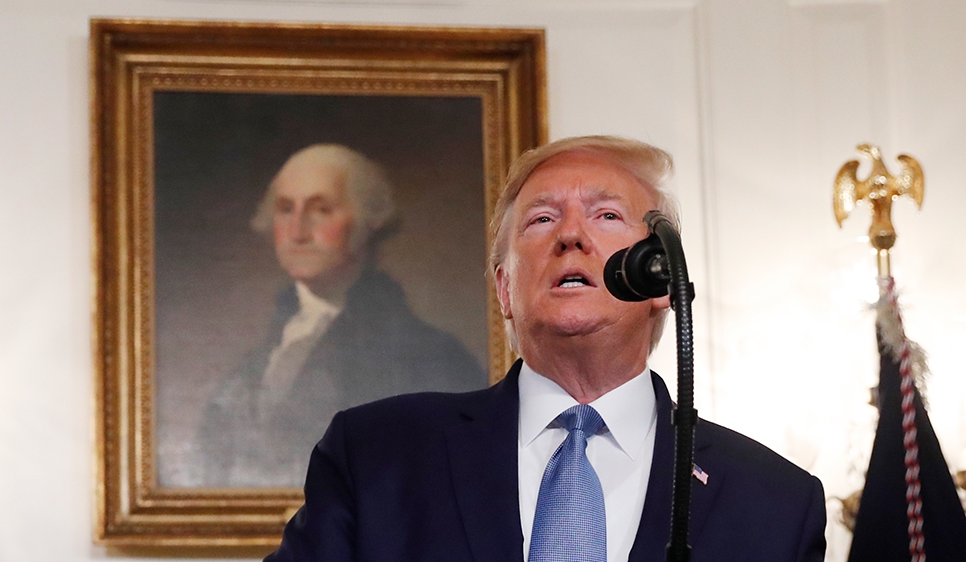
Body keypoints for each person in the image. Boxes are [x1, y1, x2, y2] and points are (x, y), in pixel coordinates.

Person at [264, 136, 827, 561]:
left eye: (607, 215)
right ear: (505, 288)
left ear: (660, 279)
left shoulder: (774, 503)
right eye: (542, 218)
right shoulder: (377, 458)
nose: (571, 235)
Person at [191, 144, 486, 488]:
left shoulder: (430, 355)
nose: (298, 230)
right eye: (286, 209)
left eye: (321, 210)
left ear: (365, 221)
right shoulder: (260, 355)